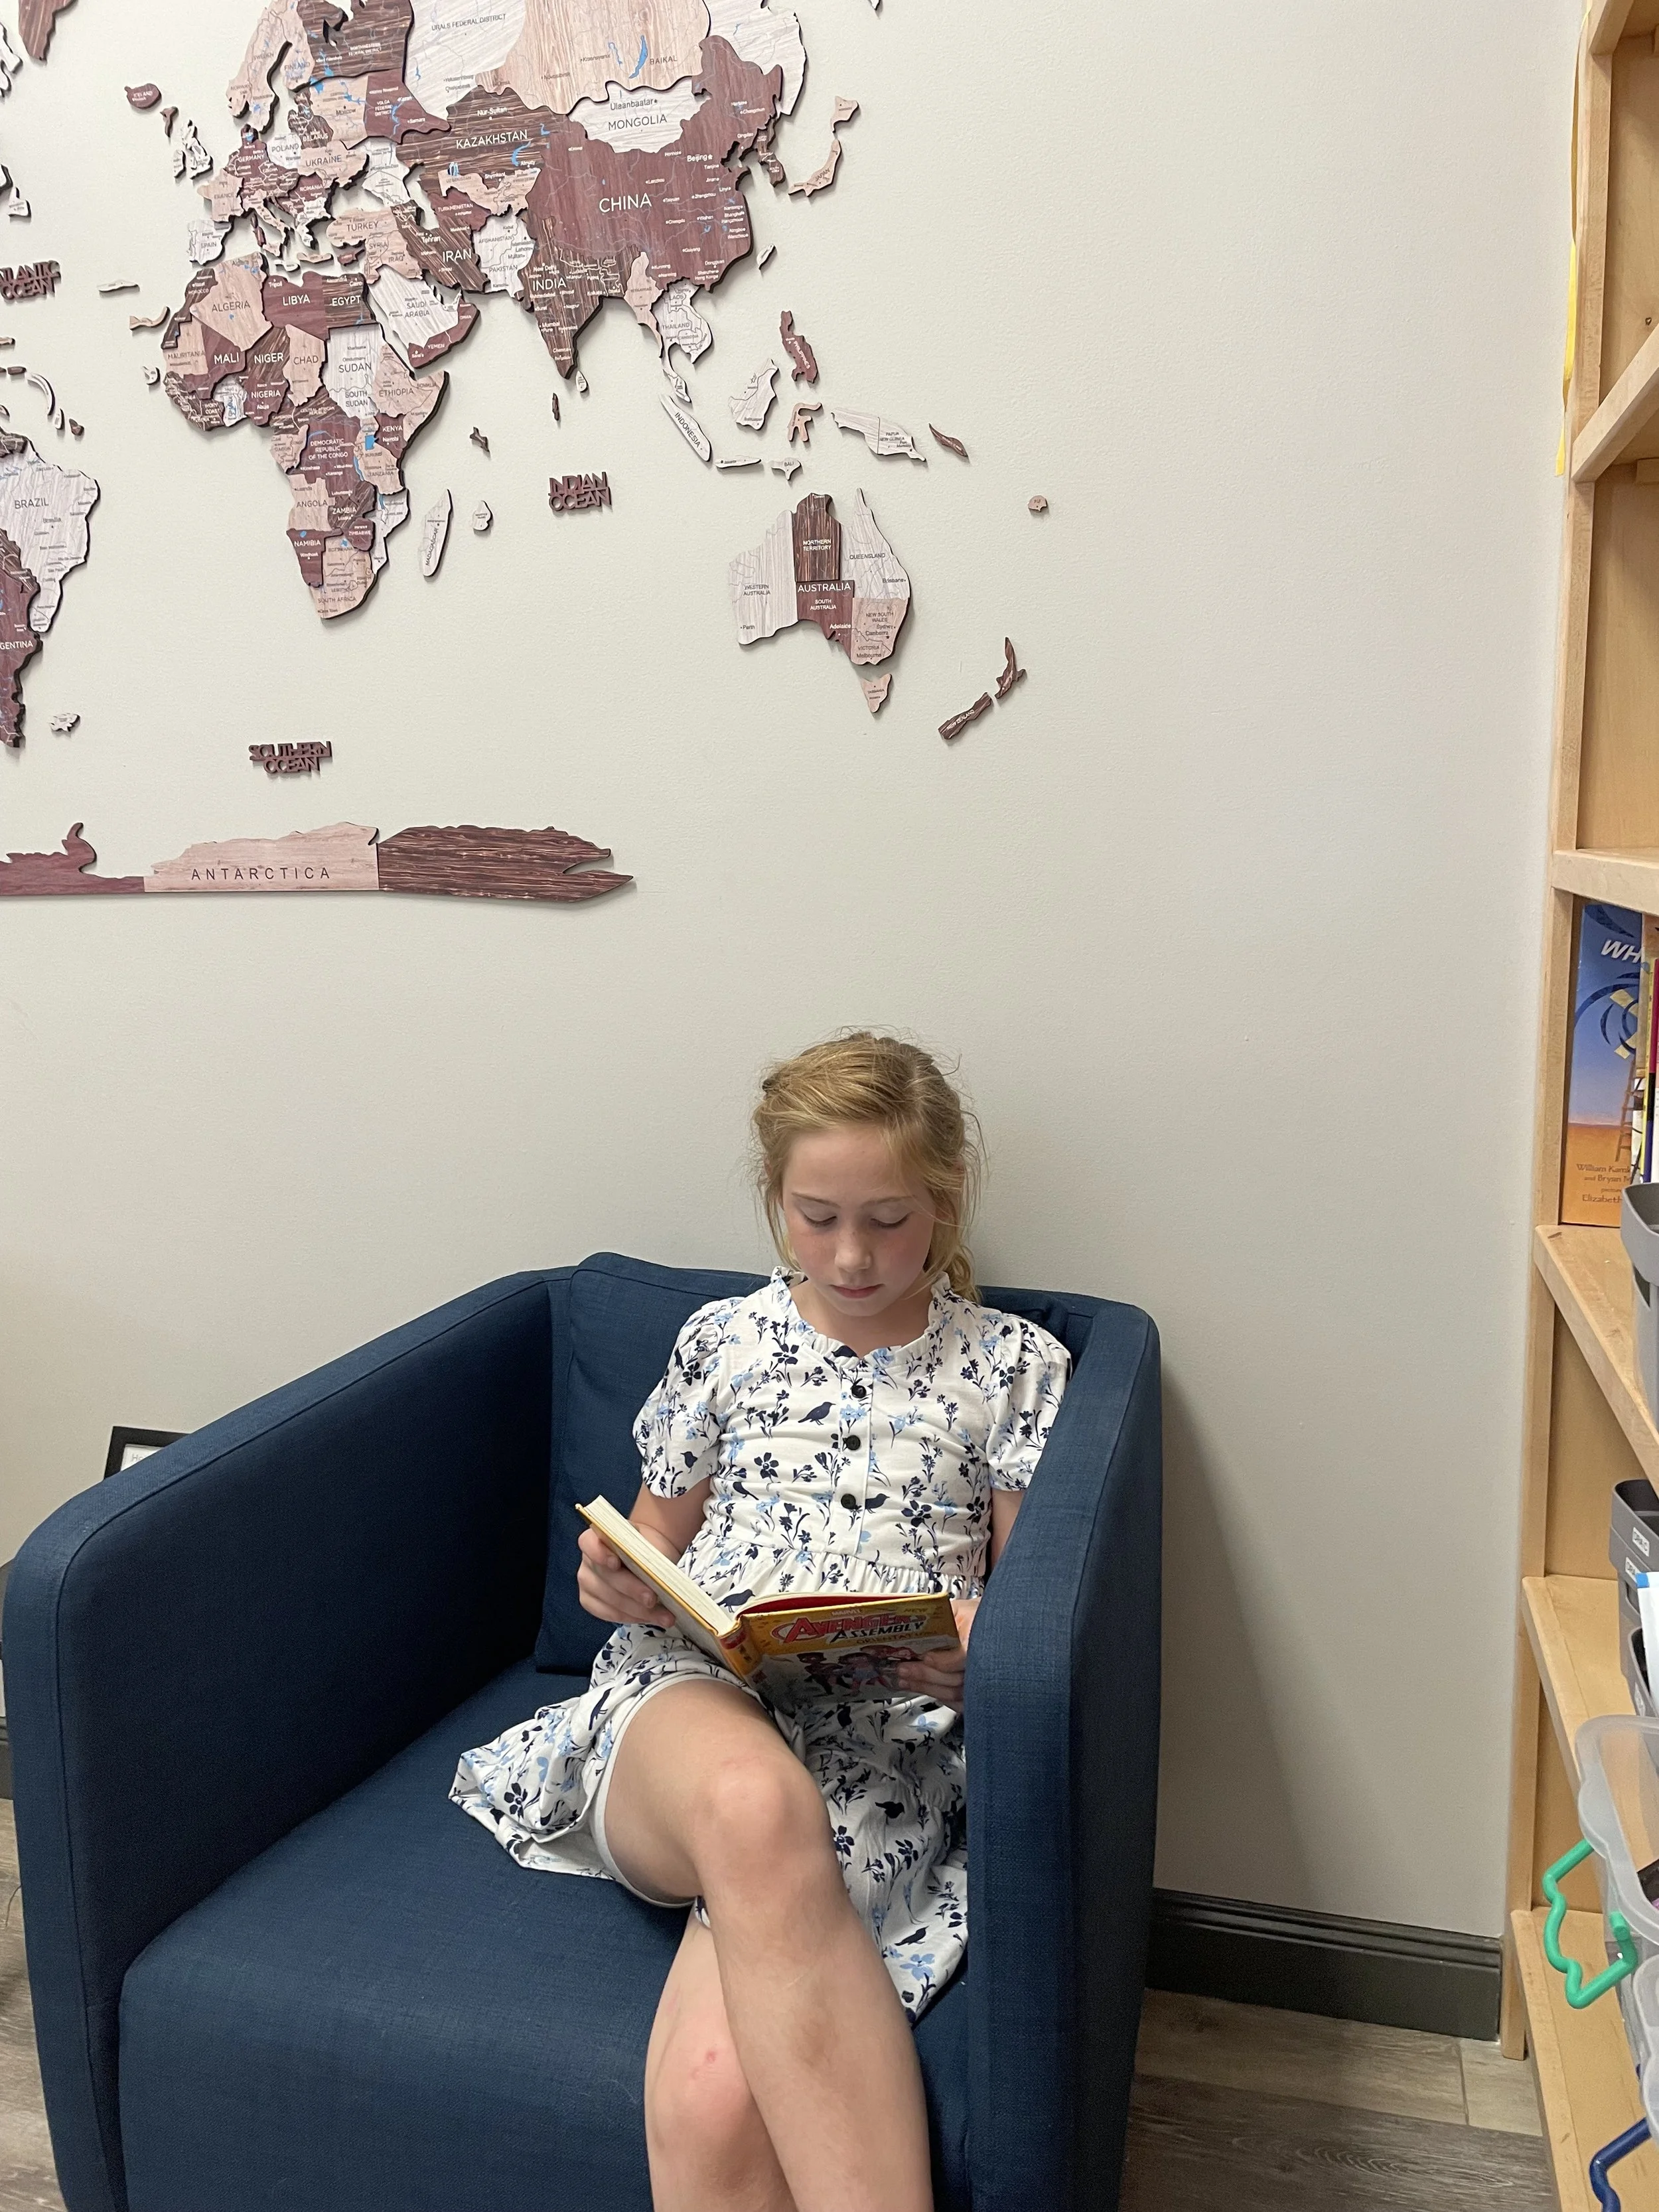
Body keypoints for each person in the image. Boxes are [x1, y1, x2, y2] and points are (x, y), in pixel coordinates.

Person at [451, 1033, 1070, 2212]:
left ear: (944, 1202)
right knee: (749, 1800)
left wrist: (972, 1649)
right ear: (775, 1201)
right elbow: (644, 1549)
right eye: (816, 1215)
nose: (851, 1255)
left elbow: (1027, 1612)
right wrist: (614, 1577)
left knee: (713, 2092)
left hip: (881, 1747)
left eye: (888, 1220)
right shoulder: (722, 1344)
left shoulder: (1013, 1367)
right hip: (692, 1712)